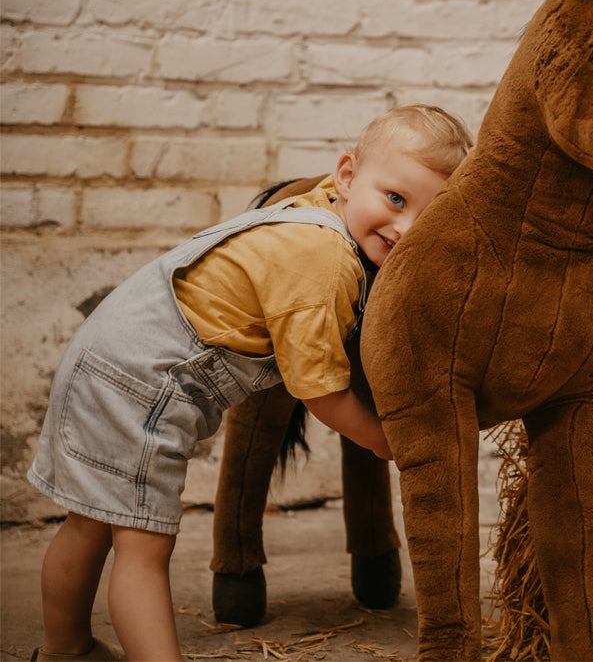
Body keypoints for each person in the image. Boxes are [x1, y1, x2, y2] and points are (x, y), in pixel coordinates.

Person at [27, 104, 473, 662]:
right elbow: (320, 392)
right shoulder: (324, 258)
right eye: (395, 199)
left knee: (89, 524)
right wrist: (387, 440)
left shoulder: (310, 210)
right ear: (347, 175)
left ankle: (65, 648)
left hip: (105, 355)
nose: (405, 228)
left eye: (427, 219)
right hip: (140, 382)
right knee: (142, 547)